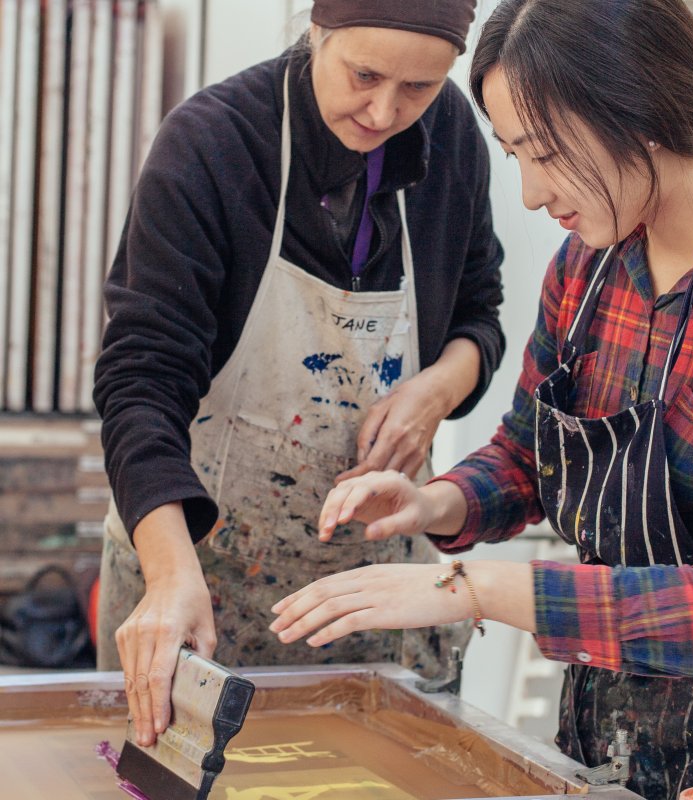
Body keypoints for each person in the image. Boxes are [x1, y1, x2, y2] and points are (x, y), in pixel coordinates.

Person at [270, 1, 693, 798]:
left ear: (640, 112)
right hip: (601, 743)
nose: (528, 193)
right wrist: (432, 503)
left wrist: (471, 591)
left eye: (545, 153)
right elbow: (527, 455)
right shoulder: (586, 271)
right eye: (513, 153)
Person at [93, 0, 505, 749]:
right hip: (201, 581)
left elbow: (482, 311)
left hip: (374, 593)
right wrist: (169, 574)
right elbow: (140, 378)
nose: (384, 111)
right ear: (317, 30)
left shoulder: (452, 141)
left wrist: (438, 389)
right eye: (365, 74)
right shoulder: (214, 143)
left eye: (418, 88)